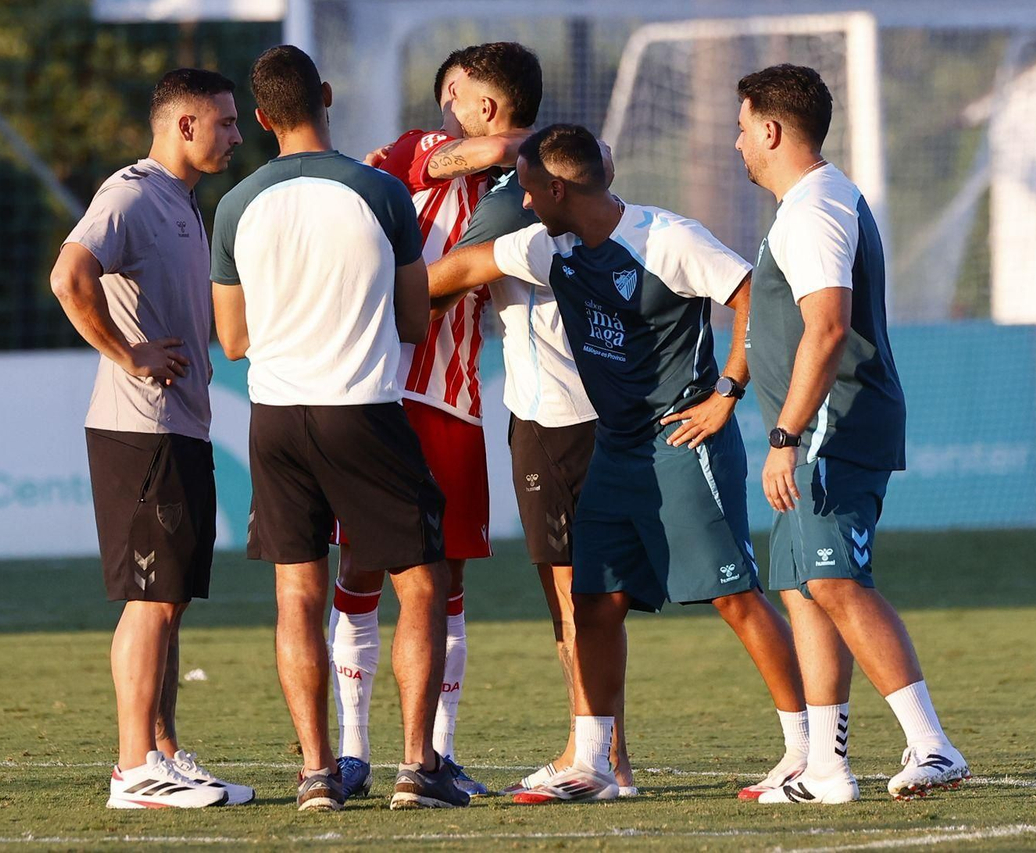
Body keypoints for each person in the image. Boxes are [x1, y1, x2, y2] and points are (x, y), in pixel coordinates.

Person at [429, 124, 807, 804]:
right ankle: (596, 762)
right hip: (616, 448)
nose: (518, 197)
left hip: (684, 440)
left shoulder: (668, 238)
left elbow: (757, 297)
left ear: (555, 189)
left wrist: (728, 393)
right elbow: (456, 271)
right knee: (594, 603)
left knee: (733, 595)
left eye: (523, 185)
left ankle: (806, 751)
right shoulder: (549, 245)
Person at [209, 45, 468, 813]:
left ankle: (318, 772)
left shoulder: (235, 205)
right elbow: (418, 319)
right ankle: (416, 766)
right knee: (419, 583)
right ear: (326, 96)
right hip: (362, 407)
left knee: (298, 593)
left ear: (260, 119)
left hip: (277, 416)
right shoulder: (383, 191)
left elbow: (232, 340)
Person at [733, 63, 970, 803]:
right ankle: (827, 768)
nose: (737, 143)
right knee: (805, 588)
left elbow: (828, 326)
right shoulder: (811, 203)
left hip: (833, 427)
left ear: (771, 130)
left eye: (742, 128)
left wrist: (786, 436)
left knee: (833, 579)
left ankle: (933, 745)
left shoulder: (813, 210)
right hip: (814, 429)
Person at [327, 42, 540, 800]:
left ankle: (433, 756)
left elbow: (529, 157)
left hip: (451, 398)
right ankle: (352, 750)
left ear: (482, 100)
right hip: (376, 390)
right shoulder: (418, 150)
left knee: (445, 581)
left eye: (456, 91)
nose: (442, 103)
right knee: (357, 569)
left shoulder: (526, 184)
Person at [49, 67, 251, 810]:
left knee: (170, 596)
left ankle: (163, 750)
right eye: (225, 122)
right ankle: (133, 769)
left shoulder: (184, 204)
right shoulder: (130, 192)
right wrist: (127, 352)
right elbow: (68, 276)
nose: (236, 134)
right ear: (185, 125)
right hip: (141, 429)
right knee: (150, 597)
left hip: (181, 426)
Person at [442, 154, 639, 797]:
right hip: (582, 422)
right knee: (589, 602)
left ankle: (595, 760)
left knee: (573, 602)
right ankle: (608, 757)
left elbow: (432, 283)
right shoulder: (600, 215)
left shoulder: (524, 233)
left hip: (557, 425)